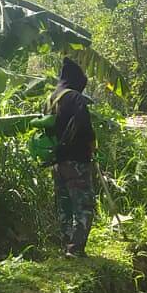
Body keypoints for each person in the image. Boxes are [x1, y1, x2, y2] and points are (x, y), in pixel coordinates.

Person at [49, 58, 99, 256]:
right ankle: (76, 248)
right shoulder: (75, 98)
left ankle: (66, 244)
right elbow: (84, 127)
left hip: (57, 161)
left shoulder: (53, 98)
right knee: (84, 204)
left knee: (65, 205)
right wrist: (92, 145)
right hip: (77, 161)